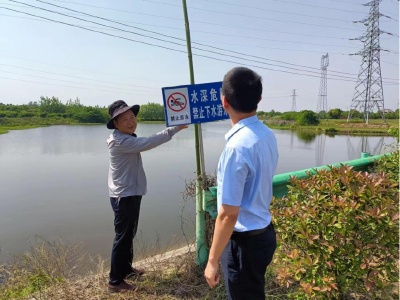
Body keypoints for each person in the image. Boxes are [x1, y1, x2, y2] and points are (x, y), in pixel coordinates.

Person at [204, 67, 279, 300]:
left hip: (244, 245)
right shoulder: (267, 134)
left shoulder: (236, 149)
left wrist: (212, 261)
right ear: (259, 99)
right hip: (264, 234)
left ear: (224, 101)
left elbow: (227, 214)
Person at [106, 100, 187, 293]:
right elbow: (148, 142)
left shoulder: (124, 138)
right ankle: (115, 281)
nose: (130, 121)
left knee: (129, 233)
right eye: (124, 119)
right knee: (123, 237)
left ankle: (126, 268)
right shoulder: (122, 141)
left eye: (132, 117)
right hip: (124, 195)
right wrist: (172, 130)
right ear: (115, 124)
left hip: (130, 192)